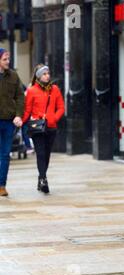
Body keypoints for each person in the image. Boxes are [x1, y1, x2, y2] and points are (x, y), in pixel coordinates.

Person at [23, 64, 65, 194]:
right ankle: (43, 180)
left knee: (46, 155)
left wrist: (53, 118)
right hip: (37, 127)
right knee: (40, 153)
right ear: (39, 76)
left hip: (51, 127)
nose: (47, 76)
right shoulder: (32, 91)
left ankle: (41, 177)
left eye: (48, 73)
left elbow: (61, 108)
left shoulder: (55, 89)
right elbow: (27, 110)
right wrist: (20, 121)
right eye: (44, 74)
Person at [0, 48, 25, 197]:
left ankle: (2, 185)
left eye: (8, 59)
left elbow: (20, 97)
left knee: (5, 154)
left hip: (9, 122)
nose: (8, 61)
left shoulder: (14, 76)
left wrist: (19, 115)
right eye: (5, 59)